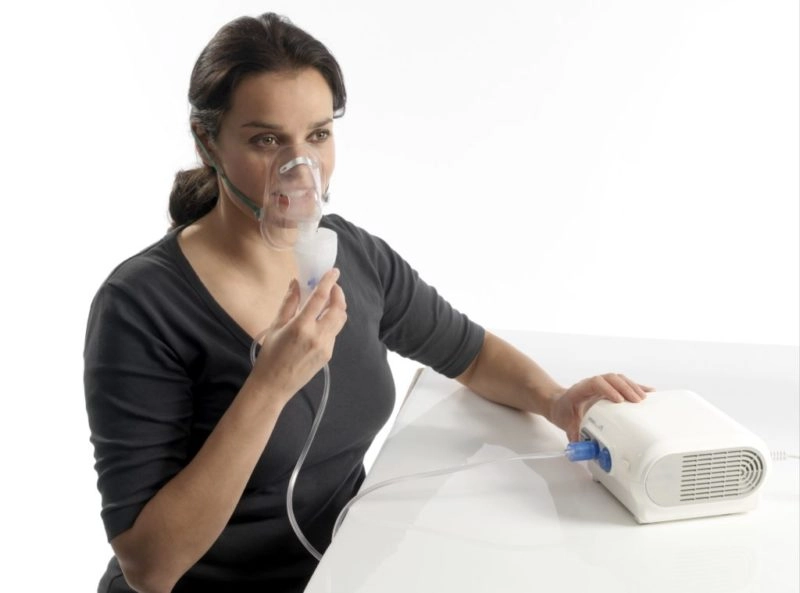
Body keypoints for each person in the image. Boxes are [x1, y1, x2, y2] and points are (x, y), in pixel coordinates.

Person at [84, 12, 651, 593]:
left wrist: (555, 401)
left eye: (317, 135)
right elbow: (151, 568)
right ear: (208, 142)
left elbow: (471, 354)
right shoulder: (142, 305)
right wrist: (270, 386)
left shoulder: (352, 256)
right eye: (266, 140)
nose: (299, 168)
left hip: (340, 576)